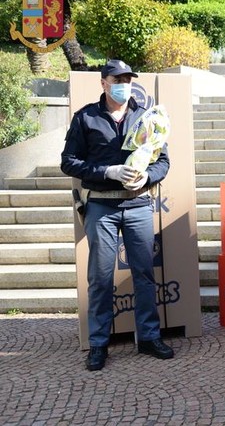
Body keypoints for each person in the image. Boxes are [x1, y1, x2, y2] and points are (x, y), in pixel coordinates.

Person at [61, 59, 174, 371]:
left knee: (144, 273)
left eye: (127, 77)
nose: (124, 83)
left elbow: (163, 161)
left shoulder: (146, 116)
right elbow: (69, 162)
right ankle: (99, 343)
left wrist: (148, 176)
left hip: (138, 204)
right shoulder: (86, 117)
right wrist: (107, 171)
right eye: (117, 78)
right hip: (101, 205)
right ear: (104, 83)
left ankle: (149, 337)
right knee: (100, 277)